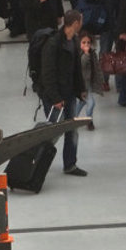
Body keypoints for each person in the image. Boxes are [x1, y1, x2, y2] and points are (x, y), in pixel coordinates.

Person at [39, 9, 88, 176]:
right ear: (75, 23)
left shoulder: (74, 40)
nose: (82, 24)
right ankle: (37, 162)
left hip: (68, 93)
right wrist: (55, 98)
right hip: (54, 96)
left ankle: (70, 164)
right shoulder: (53, 44)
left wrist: (80, 89)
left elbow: (76, 69)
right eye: (81, 21)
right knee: (53, 131)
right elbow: (48, 73)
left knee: (72, 130)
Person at [78, 31, 105, 131]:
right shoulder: (81, 54)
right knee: (91, 103)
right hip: (82, 84)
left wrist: (100, 79)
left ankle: (71, 120)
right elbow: (82, 64)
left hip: (88, 83)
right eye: (83, 42)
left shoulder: (92, 53)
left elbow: (96, 67)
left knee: (82, 102)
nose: (86, 45)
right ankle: (89, 121)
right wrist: (85, 54)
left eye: (88, 43)